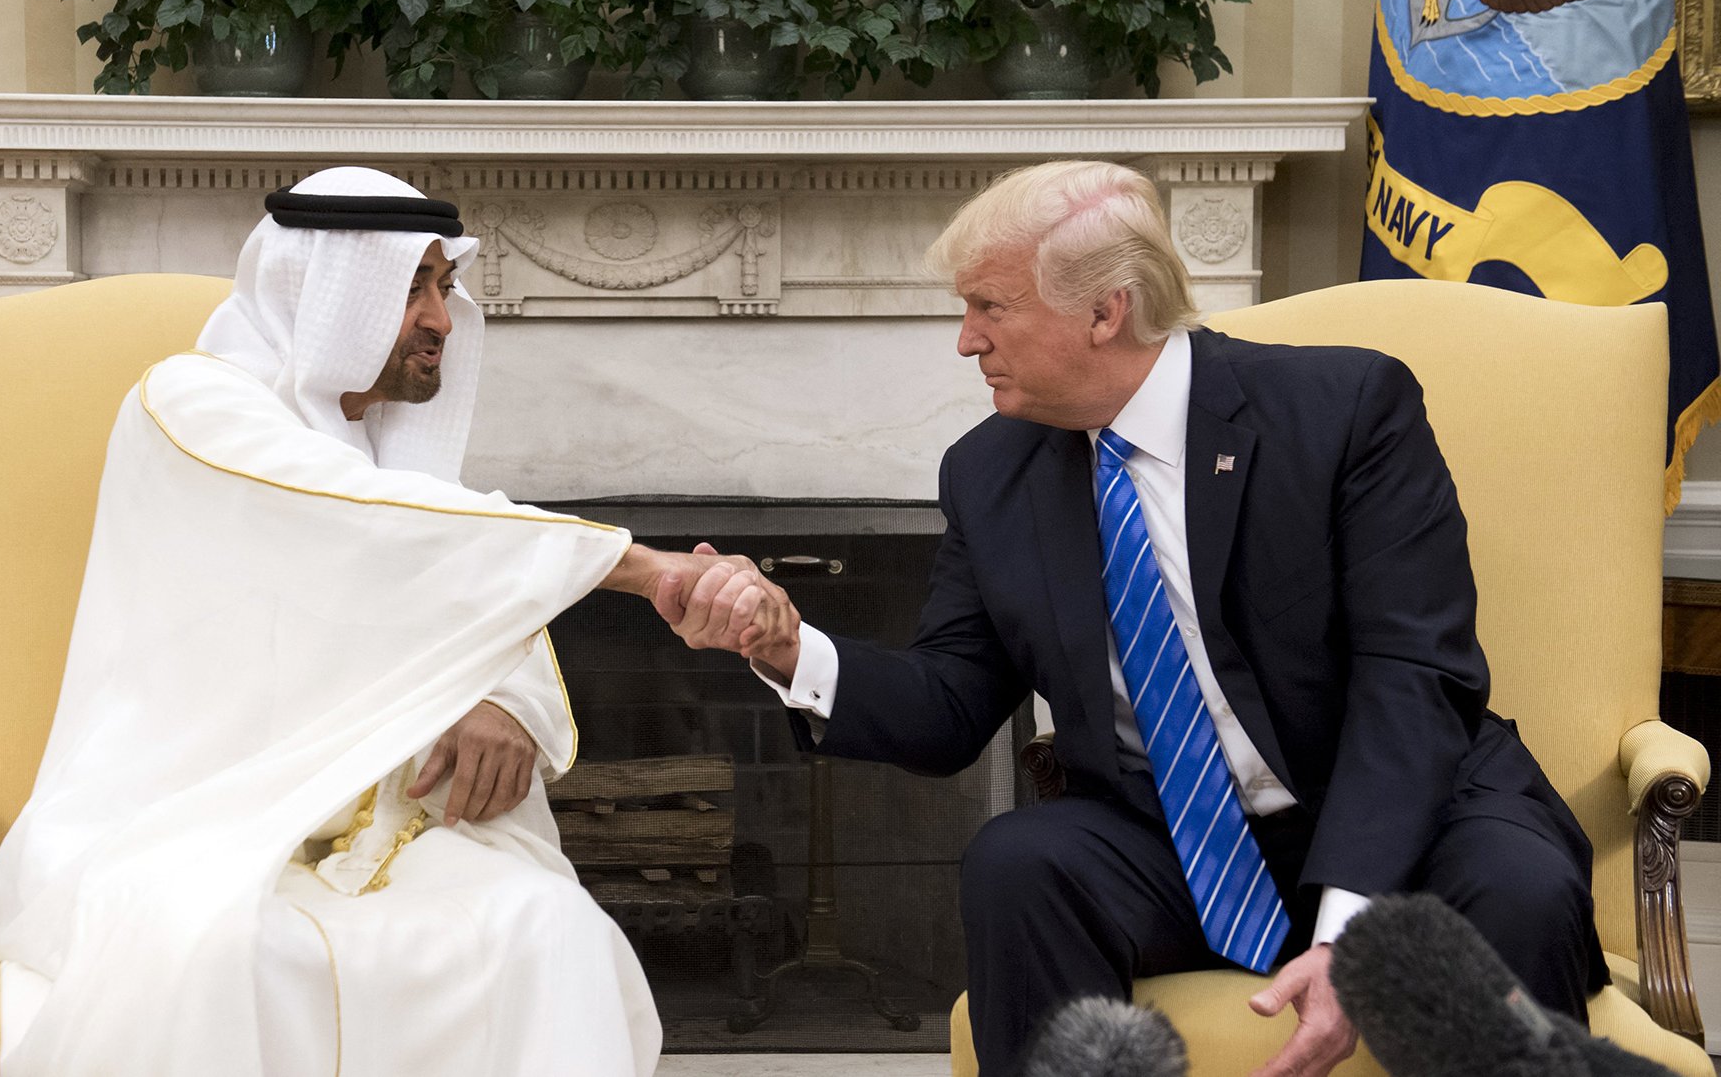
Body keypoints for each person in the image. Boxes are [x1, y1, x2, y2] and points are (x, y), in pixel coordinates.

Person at [656, 160, 1607, 1077]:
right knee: (1022, 861)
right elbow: (949, 703)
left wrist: (1351, 929)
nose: (965, 340)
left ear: (1105, 311)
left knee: (1518, 887)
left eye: (990, 307)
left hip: (1402, 813)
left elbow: (1416, 674)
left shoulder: (1346, 409)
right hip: (1177, 843)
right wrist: (785, 647)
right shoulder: (991, 473)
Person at [0, 167, 763, 1077]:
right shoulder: (191, 405)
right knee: (217, 957)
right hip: (197, 827)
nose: (440, 316)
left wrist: (502, 699)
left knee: (549, 929)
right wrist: (644, 567)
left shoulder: (387, 459)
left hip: (373, 833)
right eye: (410, 288)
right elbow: (377, 527)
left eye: (443, 286)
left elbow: (451, 569)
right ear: (325, 293)